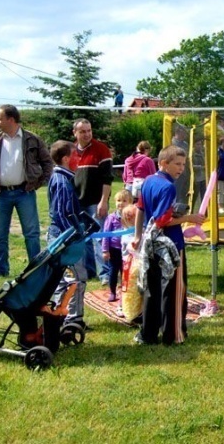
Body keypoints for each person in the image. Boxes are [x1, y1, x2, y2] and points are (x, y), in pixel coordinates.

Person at [132, 145, 205, 345]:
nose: (181, 168)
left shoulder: (148, 181)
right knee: (173, 290)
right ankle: (173, 335)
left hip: (150, 244)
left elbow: (141, 208)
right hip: (170, 245)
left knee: (152, 288)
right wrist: (189, 218)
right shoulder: (168, 187)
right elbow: (161, 221)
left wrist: (138, 234)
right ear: (163, 163)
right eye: (177, 164)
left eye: (183, 164)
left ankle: (148, 334)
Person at [0, 104, 53, 279]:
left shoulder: (32, 139)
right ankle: (0, 269)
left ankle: (34, 268)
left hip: (25, 192)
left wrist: (38, 182)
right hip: (0, 194)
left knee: (31, 234)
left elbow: (48, 163)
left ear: (11, 119)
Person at [47, 140, 87, 329]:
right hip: (64, 239)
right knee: (76, 278)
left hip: (61, 235)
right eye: (75, 155)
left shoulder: (62, 178)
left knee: (62, 278)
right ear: (65, 158)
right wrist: (72, 237)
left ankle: (57, 314)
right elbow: (62, 213)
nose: (78, 159)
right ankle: (72, 319)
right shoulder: (62, 181)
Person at [69, 118, 114, 285]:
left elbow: (107, 179)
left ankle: (105, 274)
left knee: (99, 237)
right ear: (75, 133)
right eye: (82, 131)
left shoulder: (101, 150)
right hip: (77, 202)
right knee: (82, 238)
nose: (87, 134)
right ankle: (89, 271)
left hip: (95, 201)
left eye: (89, 130)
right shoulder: (71, 152)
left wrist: (104, 201)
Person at [102, 189, 133, 302]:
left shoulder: (132, 217)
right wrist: (105, 250)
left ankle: (125, 293)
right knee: (113, 272)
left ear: (130, 202)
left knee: (126, 272)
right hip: (114, 249)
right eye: (118, 200)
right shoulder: (111, 218)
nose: (120, 203)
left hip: (128, 250)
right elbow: (106, 235)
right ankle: (112, 292)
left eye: (124, 200)